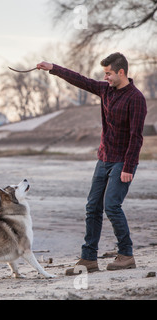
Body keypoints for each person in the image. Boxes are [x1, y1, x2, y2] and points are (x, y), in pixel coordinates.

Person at [37, 52, 147, 275]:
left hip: (122, 161)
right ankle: (88, 259)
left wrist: (128, 167)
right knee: (92, 207)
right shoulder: (105, 90)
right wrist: (52, 68)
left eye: (108, 73)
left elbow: (136, 136)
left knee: (112, 206)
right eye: (104, 73)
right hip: (104, 158)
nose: (105, 77)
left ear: (121, 72)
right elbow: (81, 80)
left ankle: (126, 255)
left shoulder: (136, 98)